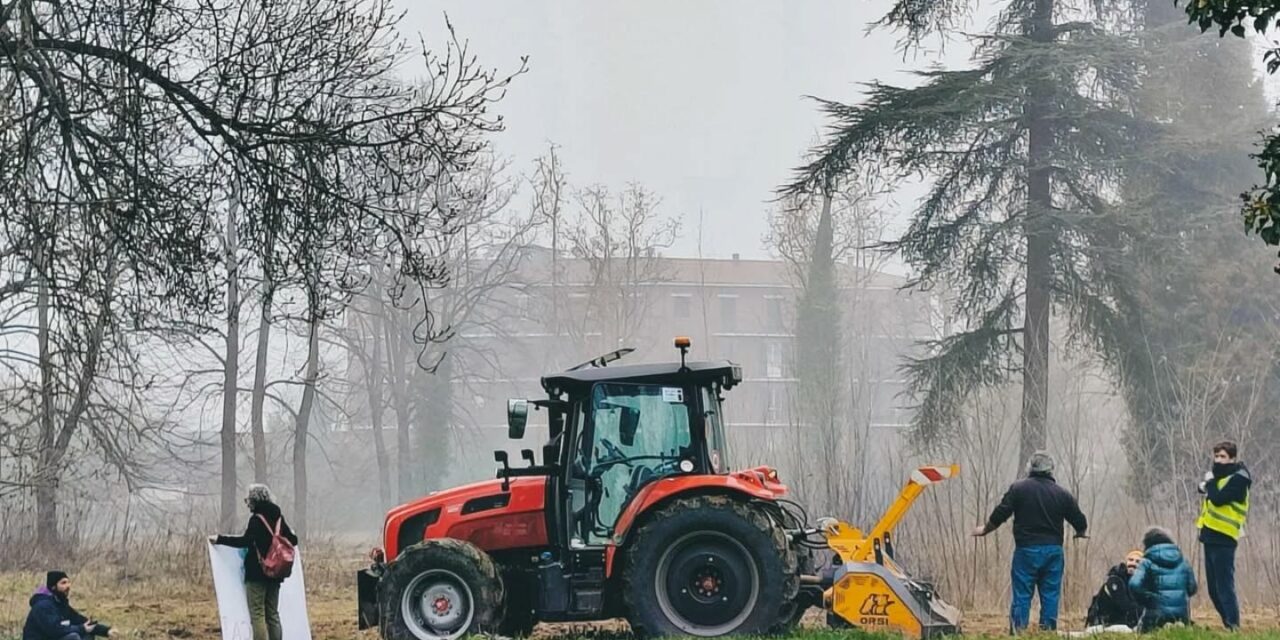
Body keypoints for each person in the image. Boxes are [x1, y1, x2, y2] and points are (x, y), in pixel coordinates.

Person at [971, 451, 1088, 634]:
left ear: (1030, 468)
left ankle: (1018, 633)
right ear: (1051, 470)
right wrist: (1080, 532)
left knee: (1022, 595)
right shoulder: (1062, 494)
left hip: (1026, 551)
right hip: (1053, 552)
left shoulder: (1018, 489)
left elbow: (1001, 513)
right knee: (1050, 595)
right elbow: (1080, 520)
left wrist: (985, 529)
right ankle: (1047, 633)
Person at [210, 484, 298, 640]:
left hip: (257, 573)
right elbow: (293, 540)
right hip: (276, 573)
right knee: (272, 614)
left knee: (257, 614)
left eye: (248, 500)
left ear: (254, 500)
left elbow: (246, 541)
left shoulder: (256, 520)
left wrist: (220, 539)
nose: (247, 503)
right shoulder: (278, 518)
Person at [1196, 440, 1251, 630]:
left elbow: (1218, 499)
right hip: (1210, 537)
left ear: (1233, 458)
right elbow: (1205, 490)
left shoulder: (1238, 479)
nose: (1218, 460)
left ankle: (1233, 626)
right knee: (1213, 589)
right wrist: (1208, 484)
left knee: (1225, 587)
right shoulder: (1219, 478)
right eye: (1217, 456)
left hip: (1225, 538)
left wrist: (1209, 483)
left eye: (1223, 457)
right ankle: (1227, 624)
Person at [1129, 527, 1197, 632]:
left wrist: (1148, 599)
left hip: (1155, 616)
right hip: (1182, 615)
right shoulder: (1184, 561)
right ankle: (1176, 627)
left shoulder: (1146, 562)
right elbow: (1192, 588)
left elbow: (1134, 585)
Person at [23, 571, 116, 640]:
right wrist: (82, 628)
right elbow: (55, 630)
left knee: (88, 635)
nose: (68, 586)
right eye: (63, 583)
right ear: (53, 587)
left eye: (68, 582)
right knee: (73, 637)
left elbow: (81, 620)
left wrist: (106, 631)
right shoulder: (43, 606)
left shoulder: (60, 603)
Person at [1085, 550, 1144, 629]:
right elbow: (1125, 605)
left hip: (1123, 624)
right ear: (1126, 562)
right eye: (1130, 560)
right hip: (1104, 625)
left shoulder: (1139, 584)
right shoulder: (1115, 580)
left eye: (1137, 561)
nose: (1133, 563)